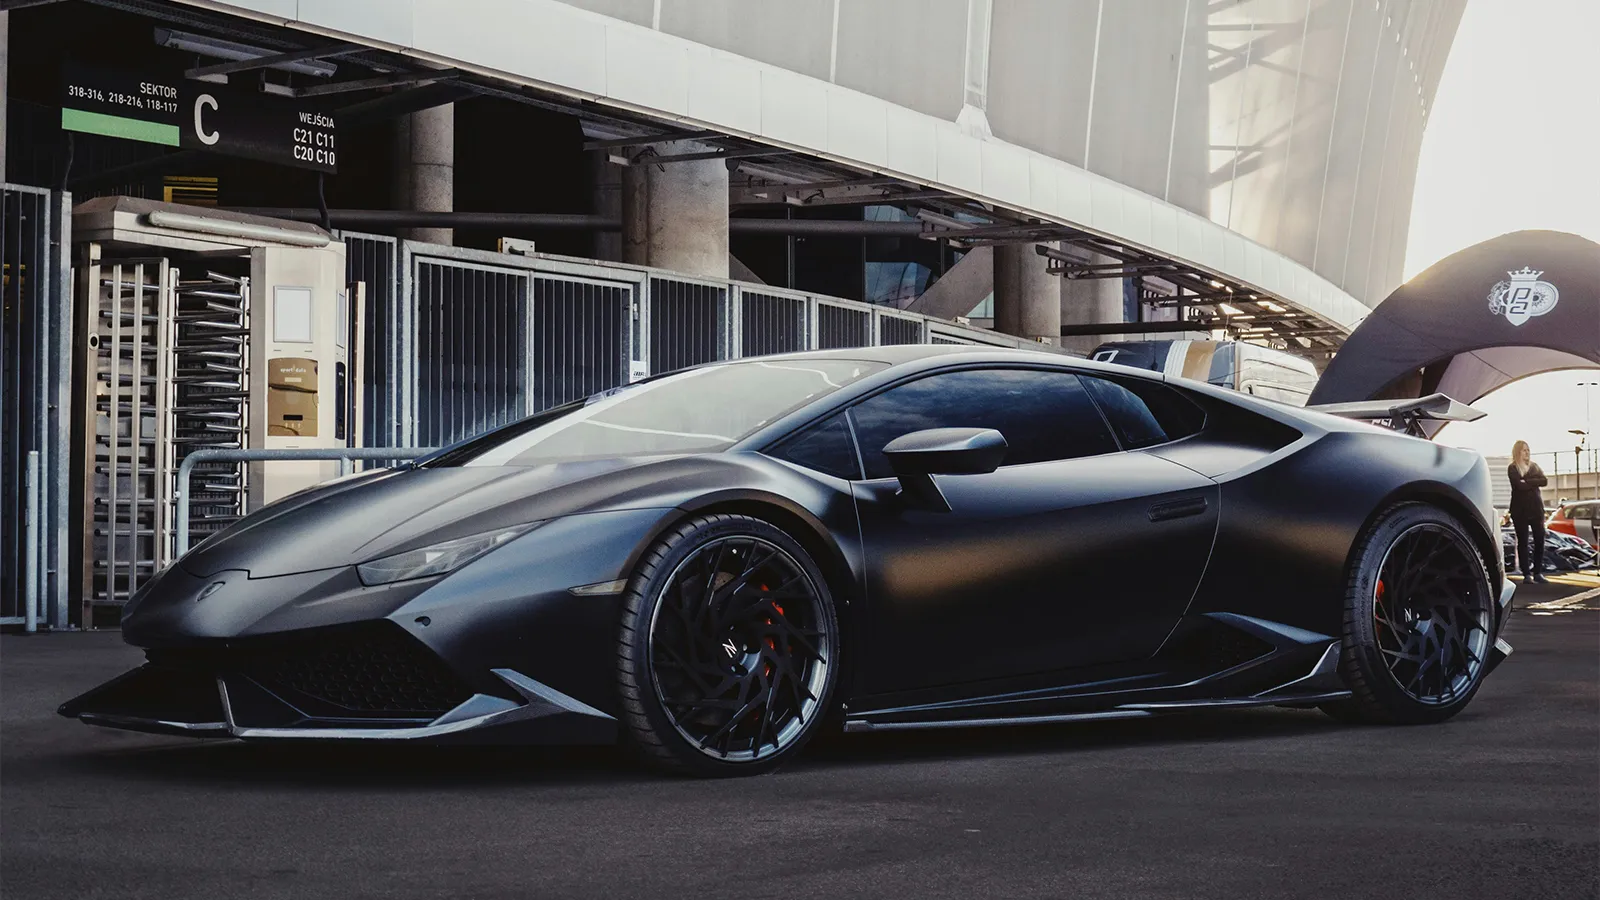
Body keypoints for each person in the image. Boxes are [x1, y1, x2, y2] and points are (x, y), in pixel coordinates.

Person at [1508, 440, 1549, 583]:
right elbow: (1519, 486)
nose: (1527, 453)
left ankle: (1538, 572)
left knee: (1539, 540)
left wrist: (1528, 481)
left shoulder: (1534, 466)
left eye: (1528, 450)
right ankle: (1526, 574)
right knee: (1523, 542)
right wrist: (1532, 482)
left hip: (1536, 509)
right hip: (1520, 511)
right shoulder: (1512, 468)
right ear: (1518, 452)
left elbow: (1544, 481)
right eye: (1524, 450)